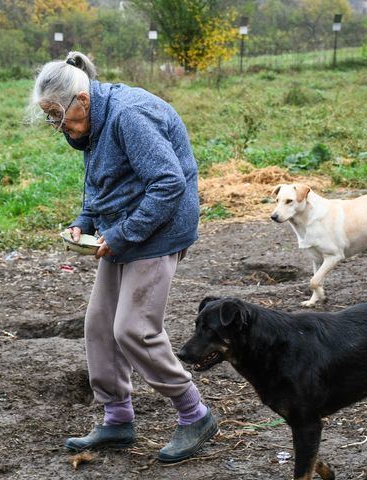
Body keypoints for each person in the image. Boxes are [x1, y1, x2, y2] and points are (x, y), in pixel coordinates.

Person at [28, 51, 217, 463]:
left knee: (133, 328)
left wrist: (124, 234)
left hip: (159, 231)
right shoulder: (93, 122)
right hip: (122, 230)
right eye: (49, 116)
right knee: (99, 325)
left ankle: (195, 414)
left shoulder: (130, 116)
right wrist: (85, 220)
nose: (57, 125)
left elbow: (168, 184)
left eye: (58, 115)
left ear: (83, 100)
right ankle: (117, 419)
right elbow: (103, 182)